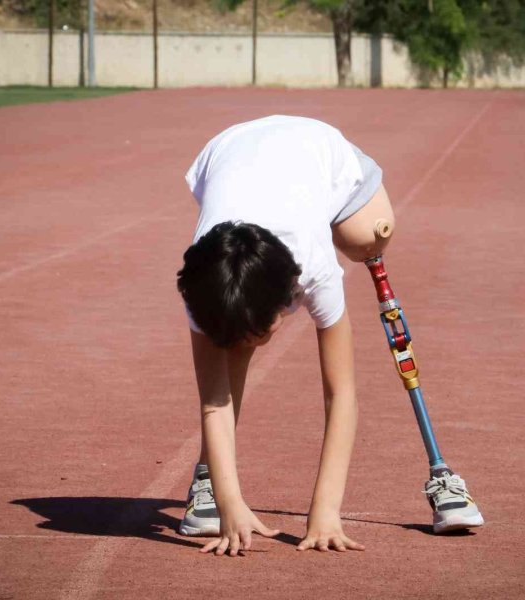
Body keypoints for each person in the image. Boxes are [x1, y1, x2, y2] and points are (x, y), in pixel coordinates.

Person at [175, 115, 482, 557]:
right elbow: (213, 401)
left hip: (316, 148)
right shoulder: (204, 280)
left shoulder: (316, 270)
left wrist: (325, 510)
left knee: (365, 237)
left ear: (289, 299)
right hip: (228, 151)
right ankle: (209, 480)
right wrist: (229, 503)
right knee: (231, 346)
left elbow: (341, 394)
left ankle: (361, 234)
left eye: (262, 332)